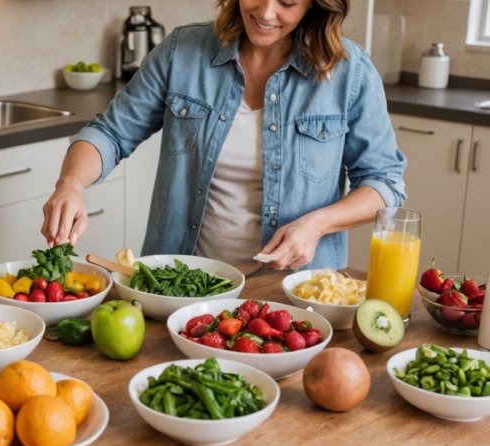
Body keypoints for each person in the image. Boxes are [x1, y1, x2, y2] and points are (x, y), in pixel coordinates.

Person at [42, 0, 406, 271]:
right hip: (182, 287)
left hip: (293, 299)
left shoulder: (349, 72)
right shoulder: (182, 52)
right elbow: (111, 133)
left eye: (288, 3)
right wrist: (71, 184)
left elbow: (384, 185)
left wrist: (316, 224)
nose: (265, 13)